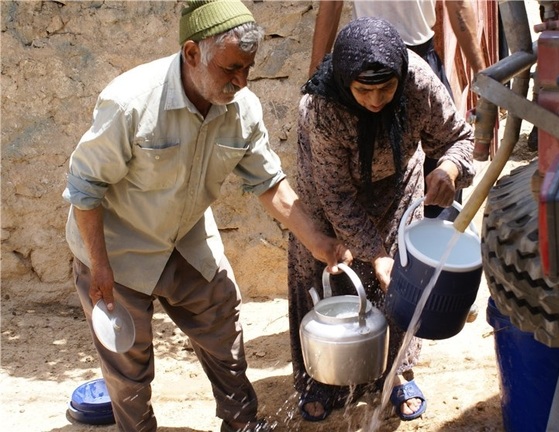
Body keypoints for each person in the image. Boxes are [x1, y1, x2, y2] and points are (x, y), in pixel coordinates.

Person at [62, 1, 352, 431]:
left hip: (187, 238)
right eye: (231, 68)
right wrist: (99, 265)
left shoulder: (242, 109)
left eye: (248, 68)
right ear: (192, 53)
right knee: (129, 370)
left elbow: (270, 184)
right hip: (117, 250)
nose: (241, 81)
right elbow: (84, 190)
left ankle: (241, 423)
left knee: (223, 327)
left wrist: (321, 244)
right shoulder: (130, 104)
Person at [288, 17, 476, 423]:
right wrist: (373, 253)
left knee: (398, 282)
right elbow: (335, 195)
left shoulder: (418, 83)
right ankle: (320, 378)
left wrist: (449, 170)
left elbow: (460, 138)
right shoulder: (323, 108)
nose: (376, 100)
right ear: (344, 81)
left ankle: (397, 372)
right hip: (326, 193)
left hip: (396, 184)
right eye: (363, 90)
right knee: (322, 274)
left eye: (385, 88)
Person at [309, 0, 485, 218]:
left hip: (419, 55)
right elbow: (332, 4)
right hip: (365, 63)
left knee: (440, 184)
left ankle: (433, 246)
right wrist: (315, 81)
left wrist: (482, 74)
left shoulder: (421, 79)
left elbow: (457, 4)